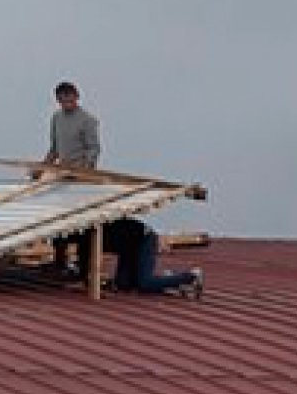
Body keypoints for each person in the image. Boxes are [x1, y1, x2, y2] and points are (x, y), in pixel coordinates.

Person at [41, 81, 102, 275]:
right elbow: (54, 148)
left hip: (81, 177)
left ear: (76, 97)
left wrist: (83, 171)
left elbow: (93, 150)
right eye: (62, 101)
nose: (66, 104)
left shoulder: (88, 120)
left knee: (80, 221)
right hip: (61, 174)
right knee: (57, 217)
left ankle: (84, 265)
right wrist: (42, 168)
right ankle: (59, 260)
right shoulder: (57, 118)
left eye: (69, 100)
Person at [102, 217, 204, 298]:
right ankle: (168, 281)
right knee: (122, 285)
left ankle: (192, 277)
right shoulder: (98, 232)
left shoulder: (96, 232)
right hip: (127, 246)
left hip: (143, 239)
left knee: (144, 283)